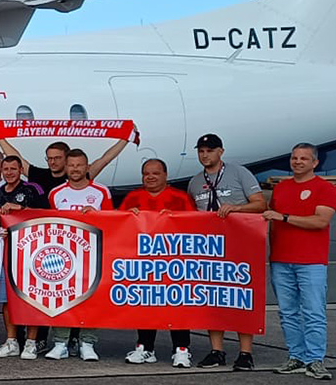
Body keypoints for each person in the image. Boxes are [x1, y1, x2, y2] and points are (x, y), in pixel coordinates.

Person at [188, 132, 266, 370]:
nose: (205, 155)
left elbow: (261, 204)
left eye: (210, 150)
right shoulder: (193, 182)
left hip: (241, 245)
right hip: (211, 249)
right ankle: (216, 350)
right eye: (201, 151)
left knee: (241, 297)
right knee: (213, 298)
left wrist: (237, 208)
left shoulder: (239, 172)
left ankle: (245, 353)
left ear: (220, 151)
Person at [265, 143, 336, 380]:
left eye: (304, 158)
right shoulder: (281, 188)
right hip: (281, 259)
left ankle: (315, 359)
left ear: (315, 163)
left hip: (311, 261)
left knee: (314, 311)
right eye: (294, 158)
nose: (298, 162)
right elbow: (268, 219)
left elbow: (320, 221)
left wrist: (284, 217)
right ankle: (296, 356)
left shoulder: (324, 188)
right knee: (288, 312)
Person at [118, 159, 197, 367]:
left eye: (155, 173)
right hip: (144, 264)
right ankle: (145, 347)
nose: (150, 177)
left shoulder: (180, 198)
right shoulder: (133, 197)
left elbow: (197, 226)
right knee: (145, 304)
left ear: (165, 175)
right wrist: (127, 216)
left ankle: (181, 349)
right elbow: (117, 225)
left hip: (174, 264)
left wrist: (176, 218)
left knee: (177, 304)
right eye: (146, 173)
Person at [42, 147, 118, 361]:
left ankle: (88, 342)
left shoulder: (101, 192)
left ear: (87, 167)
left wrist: (99, 216)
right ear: (66, 167)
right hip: (64, 256)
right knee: (61, 297)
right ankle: (60, 342)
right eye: (71, 165)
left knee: (92, 299)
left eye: (79, 165)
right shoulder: (56, 194)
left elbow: (115, 222)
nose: (75, 169)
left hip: (93, 253)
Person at [0, 155, 50, 360]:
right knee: (7, 300)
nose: (9, 172)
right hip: (5, 253)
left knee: (32, 297)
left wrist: (20, 209)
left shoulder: (33, 189)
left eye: (13, 168)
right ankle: (11, 341)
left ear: (21, 169)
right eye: (6, 169)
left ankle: (31, 343)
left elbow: (47, 214)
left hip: (31, 253)